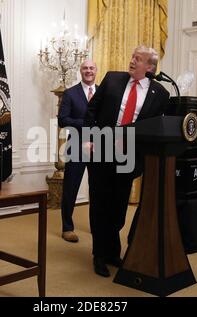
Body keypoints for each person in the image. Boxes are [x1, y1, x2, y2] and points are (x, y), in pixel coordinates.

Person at [84, 46, 170, 277]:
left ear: (150, 67)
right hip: (101, 152)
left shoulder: (161, 94)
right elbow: (91, 111)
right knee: (100, 205)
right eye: (132, 56)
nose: (132, 61)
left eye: (138, 59)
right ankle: (99, 255)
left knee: (119, 208)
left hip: (129, 157)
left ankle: (113, 252)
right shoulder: (112, 79)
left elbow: (156, 128)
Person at [58, 60, 98, 243]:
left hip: (99, 147)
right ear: (80, 71)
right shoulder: (70, 93)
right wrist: (87, 125)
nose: (88, 71)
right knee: (70, 187)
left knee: (98, 189)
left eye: (91, 68)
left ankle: (97, 226)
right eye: (85, 68)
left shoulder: (103, 93)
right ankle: (67, 227)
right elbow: (63, 119)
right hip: (76, 147)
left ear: (96, 71)